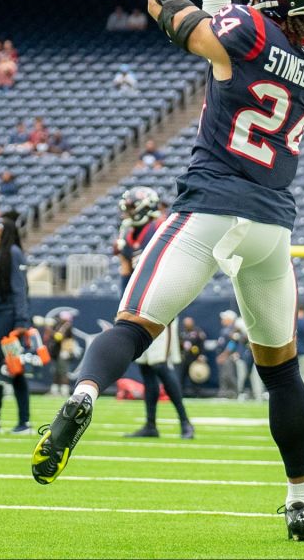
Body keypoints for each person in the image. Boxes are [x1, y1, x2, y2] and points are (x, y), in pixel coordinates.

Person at [30, 0, 304, 543]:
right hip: (270, 228)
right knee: (283, 372)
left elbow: (163, 4)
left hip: (209, 209)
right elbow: (227, 41)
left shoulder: (248, 31)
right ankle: (300, 501)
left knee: (131, 327)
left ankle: (82, 398)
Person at [113, 187, 193, 439]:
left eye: (131, 208)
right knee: (146, 368)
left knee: (159, 365)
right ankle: (151, 425)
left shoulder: (159, 229)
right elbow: (126, 273)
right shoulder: (130, 234)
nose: (127, 214)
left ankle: (185, 422)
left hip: (161, 305)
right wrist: (124, 306)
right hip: (139, 307)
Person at [0, 215, 30, 433]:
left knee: (14, 368)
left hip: (7, 318)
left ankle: (24, 421)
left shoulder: (12, 253)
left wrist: (22, 321)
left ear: (0, 229)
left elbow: (19, 288)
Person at [178, 315, 208, 396]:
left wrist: (201, 355)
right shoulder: (181, 332)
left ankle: (197, 392)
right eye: (186, 323)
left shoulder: (198, 332)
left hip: (194, 357)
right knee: (182, 375)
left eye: (189, 323)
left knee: (195, 376)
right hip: (184, 357)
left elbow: (202, 344)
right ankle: (180, 392)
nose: (187, 324)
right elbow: (178, 344)